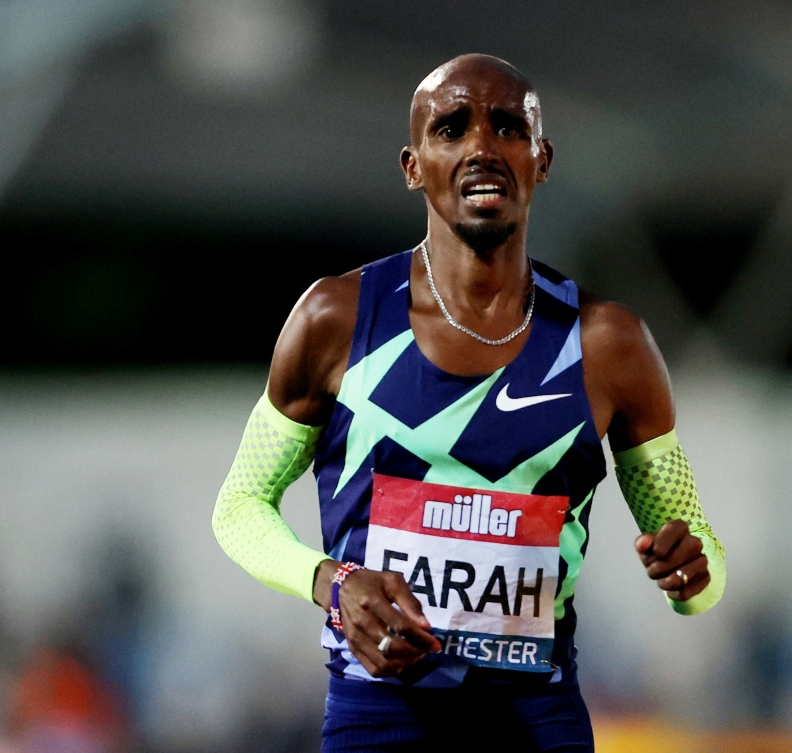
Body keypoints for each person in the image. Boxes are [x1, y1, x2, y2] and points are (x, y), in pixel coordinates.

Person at [213, 53, 726, 752]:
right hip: (382, 717)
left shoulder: (610, 344)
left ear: (541, 160)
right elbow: (239, 506)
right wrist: (331, 583)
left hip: (535, 722)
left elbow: (698, 568)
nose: (483, 146)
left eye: (509, 127)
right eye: (451, 128)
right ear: (412, 164)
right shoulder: (335, 318)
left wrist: (690, 577)